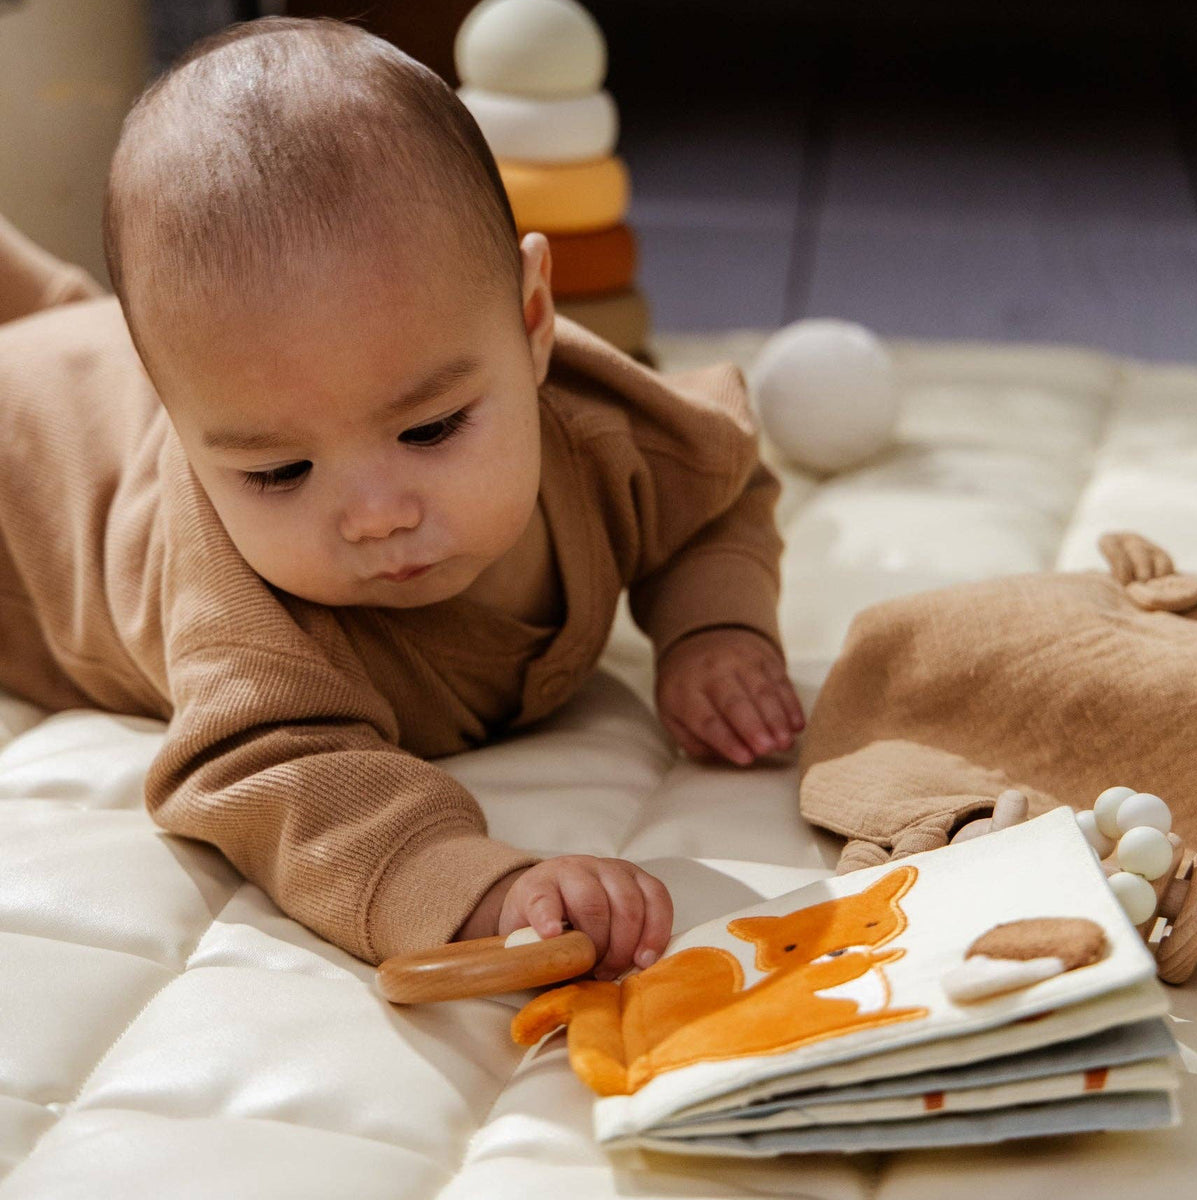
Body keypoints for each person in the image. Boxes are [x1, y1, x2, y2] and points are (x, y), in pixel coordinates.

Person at [0, 16, 804, 980]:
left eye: (429, 430)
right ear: (179, 416)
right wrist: (471, 885)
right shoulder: (249, 613)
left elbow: (717, 488)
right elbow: (280, 777)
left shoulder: (602, 426)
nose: (375, 513)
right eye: (278, 473)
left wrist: (717, 627)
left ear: (534, 320)